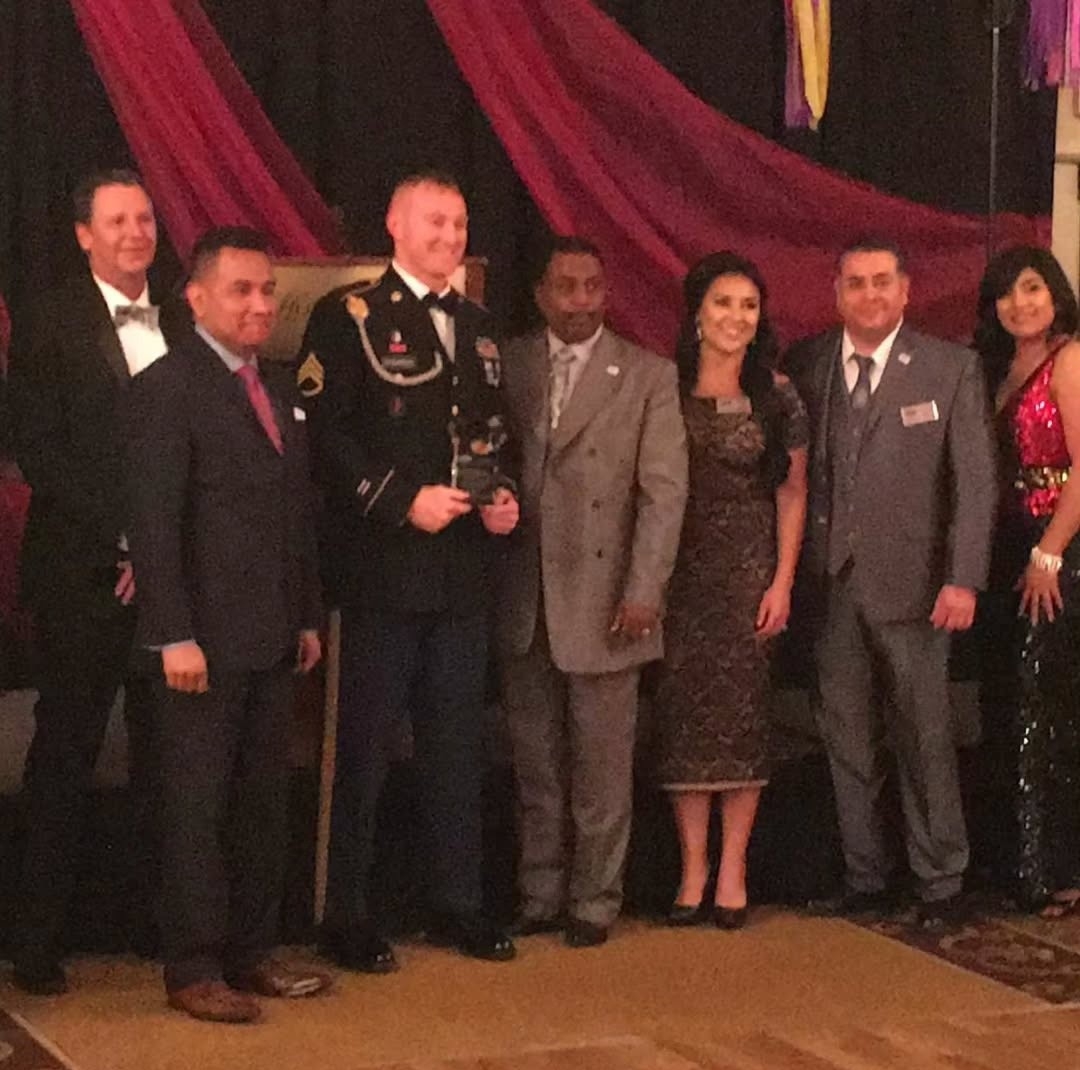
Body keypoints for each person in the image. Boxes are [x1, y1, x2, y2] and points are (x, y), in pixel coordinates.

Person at [299, 171, 519, 969]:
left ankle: (456, 903)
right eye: (435, 221)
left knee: (456, 751)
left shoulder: (481, 326)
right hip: (382, 572)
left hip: (462, 576)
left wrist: (502, 497)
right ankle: (346, 915)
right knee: (361, 753)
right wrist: (399, 503)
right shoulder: (349, 315)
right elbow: (323, 436)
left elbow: (491, 435)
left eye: (459, 224)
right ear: (395, 224)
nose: (449, 237)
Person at [126, 227, 330, 1023]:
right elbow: (154, 522)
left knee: (260, 806)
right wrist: (172, 634)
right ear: (197, 297)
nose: (260, 304)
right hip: (199, 645)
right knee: (197, 810)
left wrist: (306, 616)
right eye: (241, 289)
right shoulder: (167, 386)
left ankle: (251, 952)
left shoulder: (274, 387)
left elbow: (295, 516)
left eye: (267, 290)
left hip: (271, 638)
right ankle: (193, 967)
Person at [790, 237, 996, 926]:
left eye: (882, 281)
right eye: (856, 282)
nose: (870, 294)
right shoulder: (810, 363)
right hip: (831, 586)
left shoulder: (951, 367)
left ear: (907, 290)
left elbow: (975, 485)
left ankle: (941, 881)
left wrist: (963, 578)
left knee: (924, 739)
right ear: (836, 293)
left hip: (919, 589)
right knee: (846, 739)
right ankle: (866, 876)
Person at [6, 169, 176, 994]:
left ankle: (151, 923)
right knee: (66, 753)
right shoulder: (48, 321)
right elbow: (41, 453)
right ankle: (35, 941)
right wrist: (128, 537)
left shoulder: (183, 314)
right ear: (83, 235)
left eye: (144, 218)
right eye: (117, 220)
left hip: (168, 581)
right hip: (82, 572)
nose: (135, 232)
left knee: (166, 757)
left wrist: (163, 549)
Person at [496, 236, 687, 947]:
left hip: (609, 597)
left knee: (602, 771)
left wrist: (646, 590)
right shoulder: (509, 362)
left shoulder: (646, 375)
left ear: (606, 294)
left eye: (591, 287)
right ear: (541, 295)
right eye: (565, 287)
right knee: (536, 766)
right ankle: (540, 894)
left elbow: (664, 495)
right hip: (523, 597)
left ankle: (595, 900)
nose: (579, 301)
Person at [653, 252, 807, 929]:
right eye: (723, 303)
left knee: (744, 723)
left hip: (750, 574)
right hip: (678, 575)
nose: (735, 317)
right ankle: (692, 872)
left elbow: (793, 492)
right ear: (697, 312)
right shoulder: (665, 386)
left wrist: (783, 580)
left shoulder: (779, 394)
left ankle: (734, 872)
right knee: (684, 722)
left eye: (748, 305)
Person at [973, 246, 1080, 917]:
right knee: (1008, 702)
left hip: (1057, 546)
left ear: (1056, 294)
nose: (1022, 303)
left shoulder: (1069, 359)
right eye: (1008, 293)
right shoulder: (995, 368)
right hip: (1007, 544)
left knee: (1046, 708)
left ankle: (1055, 869)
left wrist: (1049, 554)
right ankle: (1016, 860)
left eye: (1033, 287)